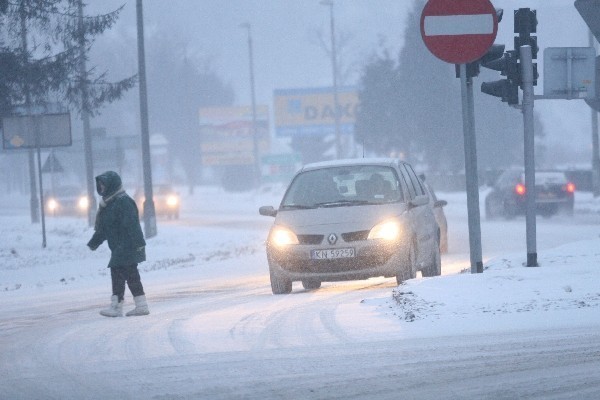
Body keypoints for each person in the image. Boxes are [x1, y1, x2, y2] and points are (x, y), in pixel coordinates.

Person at [87, 171, 150, 317]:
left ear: (111, 185)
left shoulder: (123, 202)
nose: (101, 188)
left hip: (127, 246)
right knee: (121, 274)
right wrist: (93, 243)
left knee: (127, 274)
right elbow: (104, 228)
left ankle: (125, 306)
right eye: (100, 185)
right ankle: (125, 306)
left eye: (103, 185)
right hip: (119, 248)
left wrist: (139, 244)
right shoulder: (109, 204)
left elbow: (132, 225)